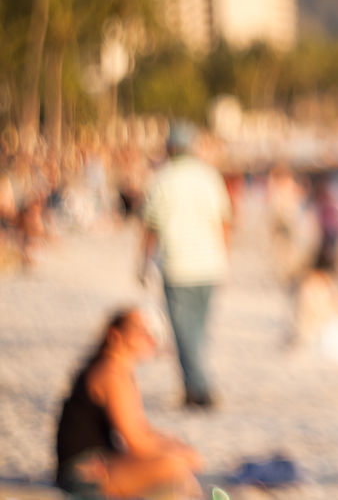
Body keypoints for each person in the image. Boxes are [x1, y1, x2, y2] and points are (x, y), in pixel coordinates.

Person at [55, 307, 204, 498]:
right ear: (115, 335)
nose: (149, 336)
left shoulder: (119, 369)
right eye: (139, 330)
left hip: (102, 459)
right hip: (83, 471)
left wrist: (173, 445)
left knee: (176, 467)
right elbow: (136, 440)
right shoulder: (110, 373)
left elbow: (141, 431)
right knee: (173, 465)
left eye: (148, 331)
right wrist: (179, 454)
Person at [140, 121, 232, 409]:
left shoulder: (162, 179)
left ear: (170, 148)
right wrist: (225, 257)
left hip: (178, 264)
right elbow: (224, 220)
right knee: (198, 330)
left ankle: (199, 389)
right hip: (210, 264)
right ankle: (196, 386)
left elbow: (151, 226)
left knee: (184, 332)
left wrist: (143, 262)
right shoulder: (209, 176)